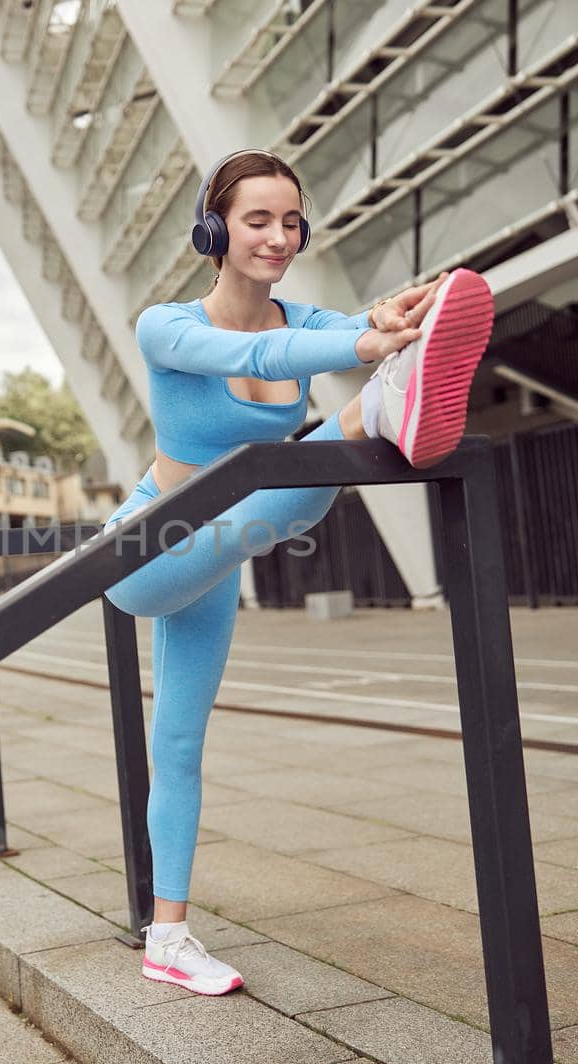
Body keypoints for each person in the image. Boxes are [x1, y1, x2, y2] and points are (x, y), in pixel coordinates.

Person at [99, 148, 495, 996]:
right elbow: (283, 355)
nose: (278, 237)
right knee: (305, 482)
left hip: (225, 548)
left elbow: (328, 329)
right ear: (214, 229)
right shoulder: (165, 324)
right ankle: (381, 402)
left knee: (179, 740)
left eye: (290, 221)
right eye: (256, 220)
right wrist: (365, 342)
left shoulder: (309, 316)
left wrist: (398, 319)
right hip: (146, 549)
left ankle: (167, 938)